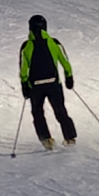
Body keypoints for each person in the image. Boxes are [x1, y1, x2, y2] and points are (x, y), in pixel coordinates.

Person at [18, 14, 77, 150]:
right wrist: (69, 77)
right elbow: (64, 61)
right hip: (53, 83)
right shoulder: (54, 42)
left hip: (36, 86)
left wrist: (24, 85)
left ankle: (46, 139)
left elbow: (23, 68)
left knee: (38, 113)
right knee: (60, 110)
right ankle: (70, 137)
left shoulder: (26, 46)